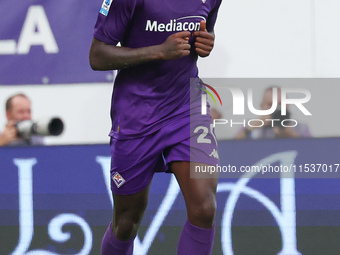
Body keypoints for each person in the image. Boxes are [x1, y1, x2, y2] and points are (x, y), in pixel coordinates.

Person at [89, 0, 222, 254]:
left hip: (187, 106)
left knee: (204, 208)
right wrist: (159, 51)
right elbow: (97, 55)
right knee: (127, 222)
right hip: (136, 113)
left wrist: (207, 41)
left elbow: (207, 30)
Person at [234, 86, 312, 139]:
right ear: (262, 106)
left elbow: (312, 150)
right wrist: (250, 129)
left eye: (280, 104)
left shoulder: (300, 128)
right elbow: (230, 148)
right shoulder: (249, 125)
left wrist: (290, 134)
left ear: (287, 105)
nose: (275, 109)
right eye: (270, 105)